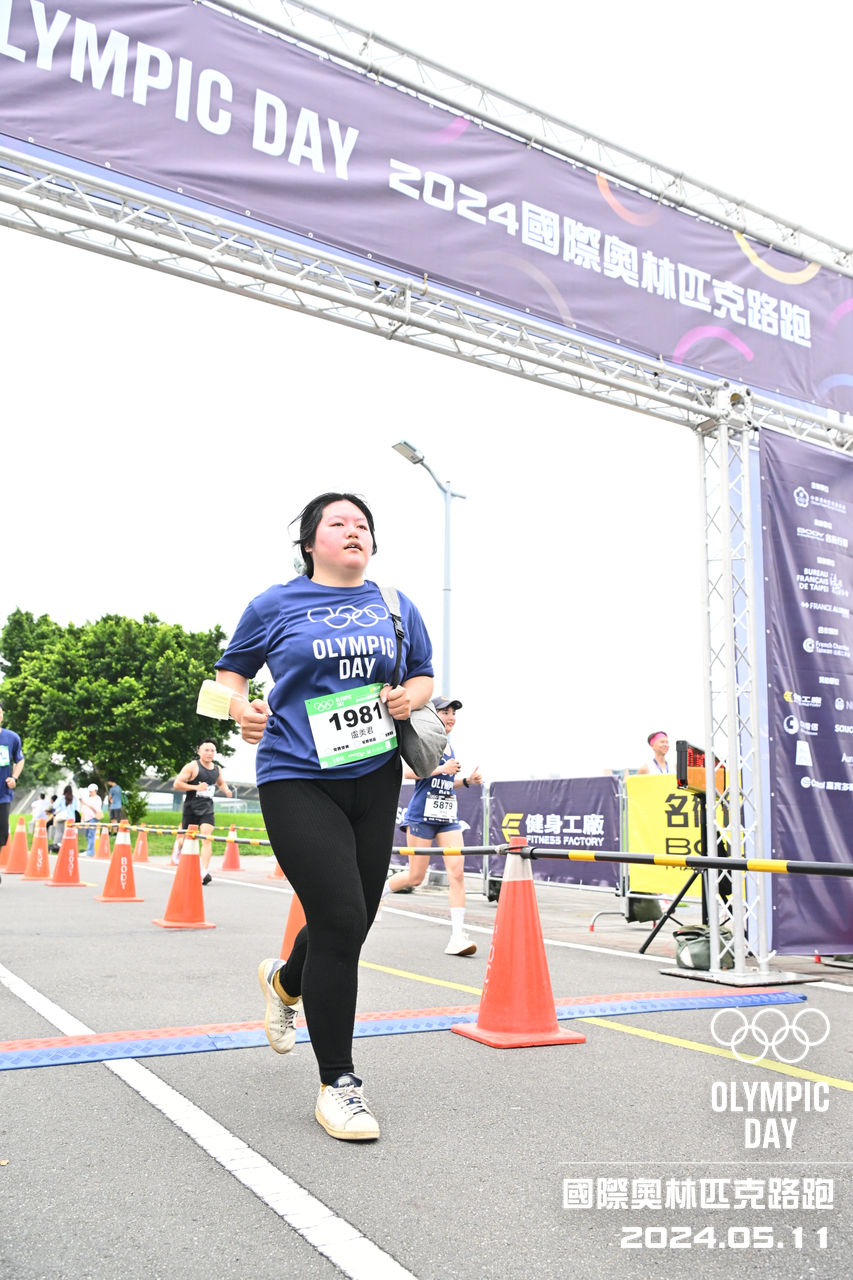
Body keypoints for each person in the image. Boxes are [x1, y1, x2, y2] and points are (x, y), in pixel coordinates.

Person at [212, 492, 433, 1142]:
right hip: (296, 775)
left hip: (375, 775)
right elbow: (226, 678)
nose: (353, 531)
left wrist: (407, 697)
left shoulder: (395, 605)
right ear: (310, 542)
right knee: (337, 917)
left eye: (362, 524)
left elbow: (423, 676)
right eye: (338, 523)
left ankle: (285, 982)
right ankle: (338, 1083)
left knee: (353, 921)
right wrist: (240, 710)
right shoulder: (274, 604)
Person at [383, 696, 483, 955]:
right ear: (432, 715)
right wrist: (442, 769)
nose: (450, 717)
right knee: (415, 877)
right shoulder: (424, 739)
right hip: (422, 816)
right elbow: (407, 772)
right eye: (444, 712)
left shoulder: (449, 745)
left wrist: (467, 782)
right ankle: (375, 896)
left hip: (447, 818)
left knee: (456, 873)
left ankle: (457, 936)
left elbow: (445, 782)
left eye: (453, 713)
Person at [172, 742, 232, 884]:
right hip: (191, 807)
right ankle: (178, 846)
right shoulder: (192, 766)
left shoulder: (216, 769)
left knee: (207, 837)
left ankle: (203, 871)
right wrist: (196, 787)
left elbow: (221, 783)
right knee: (186, 839)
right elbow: (177, 784)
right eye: (206, 750)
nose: (210, 753)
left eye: (212, 750)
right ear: (199, 752)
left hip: (207, 808)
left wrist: (226, 790)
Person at [0, 702, 25, 882]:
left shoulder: (11, 737)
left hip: (3, 795)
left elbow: (20, 759)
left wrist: (14, 777)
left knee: (2, 834)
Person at [79, 783, 103, 856]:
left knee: (91, 834)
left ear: (95, 791)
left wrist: (86, 804)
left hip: (93, 818)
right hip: (87, 819)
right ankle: (90, 850)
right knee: (87, 834)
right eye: (89, 791)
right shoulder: (87, 798)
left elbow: (96, 809)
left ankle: (90, 852)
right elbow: (84, 810)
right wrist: (82, 819)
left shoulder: (97, 798)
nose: (90, 793)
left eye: (91, 791)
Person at [51, 784, 76, 851]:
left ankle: (57, 846)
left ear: (64, 790)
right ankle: (69, 847)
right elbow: (75, 808)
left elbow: (54, 806)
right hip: (71, 818)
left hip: (62, 817)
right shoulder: (74, 798)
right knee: (70, 833)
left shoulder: (62, 798)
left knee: (59, 831)